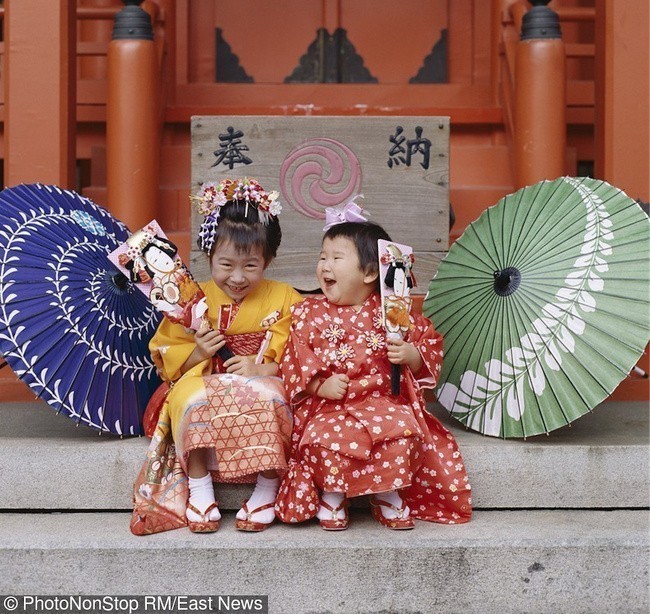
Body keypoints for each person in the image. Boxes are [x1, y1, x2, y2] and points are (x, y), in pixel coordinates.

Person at [275, 213, 472, 530]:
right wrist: (319, 386)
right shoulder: (307, 311)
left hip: (381, 402)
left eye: (337, 257)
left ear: (369, 272)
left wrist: (412, 355)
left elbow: (429, 343)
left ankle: (387, 492)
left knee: (400, 431)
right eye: (322, 256)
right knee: (324, 437)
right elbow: (294, 357)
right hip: (330, 406)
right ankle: (333, 494)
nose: (325, 265)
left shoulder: (392, 311)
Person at [130, 178, 302, 535]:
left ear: (268, 261)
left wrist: (262, 366)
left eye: (251, 266)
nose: (237, 278)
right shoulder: (190, 299)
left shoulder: (286, 297)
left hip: (263, 376)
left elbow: (303, 354)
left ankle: (267, 488)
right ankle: (200, 488)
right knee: (192, 397)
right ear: (208, 257)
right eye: (225, 265)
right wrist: (198, 352)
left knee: (271, 395)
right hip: (203, 376)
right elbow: (165, 360)